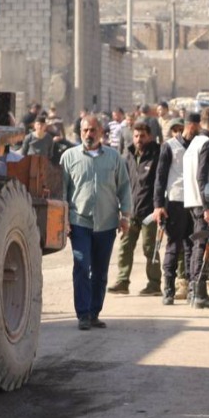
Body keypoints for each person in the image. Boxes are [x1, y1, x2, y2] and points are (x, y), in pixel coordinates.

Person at [60, 113, 132, 331]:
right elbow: (61, 191)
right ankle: (82, 314)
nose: (88, 134)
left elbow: (124, 188)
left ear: (101, 132)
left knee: (100, 271)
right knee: (82, 266)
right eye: (85, 130)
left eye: (93, 130)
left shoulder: (114, 158)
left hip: (107, 223)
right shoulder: (69, 157)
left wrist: (125, 216)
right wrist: (63, 220)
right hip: (79, 222)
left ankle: (93, 312)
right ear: (80, 132)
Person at [108, 120, 161, 296]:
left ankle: (154, 284)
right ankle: (123, 281)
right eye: (136, 136)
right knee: (125, 246)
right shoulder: (128, 156)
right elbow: (123, 183)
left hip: (149, 212)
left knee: (149, 248)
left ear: (150, 137)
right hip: (131, 211)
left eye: (142, 136)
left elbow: (160, 184)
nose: (139, 139)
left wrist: (158, 207)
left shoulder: (157, 155)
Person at [153, 113, 200, 305]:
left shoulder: (199, 146)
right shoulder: (169, 146)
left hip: (194, 202)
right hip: (175, 202)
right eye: (193, 127)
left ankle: (191, 289)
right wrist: (158, 206)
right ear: (186, 127)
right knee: (173, 245)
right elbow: (160, 178)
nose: (195, 131)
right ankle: (169, 290)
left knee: (191, 246)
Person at [183, 106, 209, 309]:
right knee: (201, 246)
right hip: (202, 203)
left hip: (193, 201)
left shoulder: (193, 143)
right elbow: (202, 176)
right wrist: (208, 206)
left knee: (198, 246)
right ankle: (198, 293)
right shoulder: (207, 144)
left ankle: (194, 291)